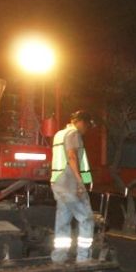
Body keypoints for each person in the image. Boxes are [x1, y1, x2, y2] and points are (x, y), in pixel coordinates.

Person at [50, 110, 95, 263]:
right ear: (81, 122)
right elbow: (71, 156)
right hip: (70, 183)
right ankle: (83, 258)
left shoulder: (59, 134)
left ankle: (58, 257)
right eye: (87, 125)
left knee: (63, 221)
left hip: (58, 182)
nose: (86, 129)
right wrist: (80, 182)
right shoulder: (73, 134)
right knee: (86, 219)